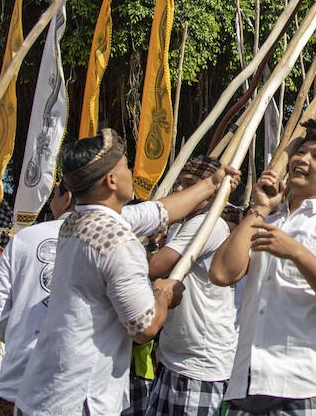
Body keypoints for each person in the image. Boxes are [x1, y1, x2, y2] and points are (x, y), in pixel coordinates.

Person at [17, 129, 238, 415]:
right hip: (79, 397)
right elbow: (144, 328)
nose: (130, 172)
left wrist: (212, 183)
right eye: (125, 167)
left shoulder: (78, 220)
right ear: (112, 180)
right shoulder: (117, 241)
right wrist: (163, 294)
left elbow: (159, 212)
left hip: (47, 388)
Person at [210, 120, 316, 414]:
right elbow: (222, 273)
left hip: (305, 386)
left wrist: (297, 253)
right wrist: (260, 208)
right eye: (301, 152)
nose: (302, 160)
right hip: (247, 382)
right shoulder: (268, 220)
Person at [144, 156, 239, 416]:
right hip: (175, 356)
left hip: (201, 362)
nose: (178, 189)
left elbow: (156, 267)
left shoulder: (208, 224)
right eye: (179, 183)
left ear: (211, 192)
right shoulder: (183, 224)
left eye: (189, 184)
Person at [0, 181, 76, 415]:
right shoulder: (113, 239)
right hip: (79, 392)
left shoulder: (24, 238)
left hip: (20, 382)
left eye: (53, 196)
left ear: (67, 198)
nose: (50, 204)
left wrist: (22, 332)